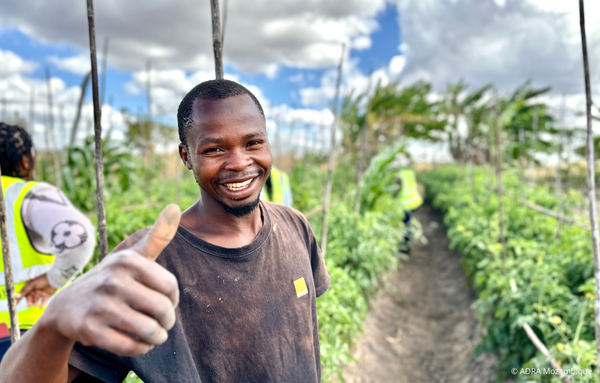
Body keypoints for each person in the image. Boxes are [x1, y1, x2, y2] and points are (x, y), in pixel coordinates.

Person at [0, 79, 330, 383]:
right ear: (186, 157)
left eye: (253, 142)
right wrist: (54, 324)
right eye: (215, 149)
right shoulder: (148, 261)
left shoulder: (295, 225)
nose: (240, 162)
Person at [0, 123, 96, 361]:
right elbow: (77, 238)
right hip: (30, 331)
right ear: (25, 161)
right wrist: (54, 280)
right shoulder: (25, 195)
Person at [392, 153, 423, 250]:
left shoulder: (399, 176)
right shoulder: (410, 172)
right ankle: (407, 243)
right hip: (414, 201)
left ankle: (406, 245)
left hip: (404, 203)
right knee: (408, 222)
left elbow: (396, 190)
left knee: (405, 224)